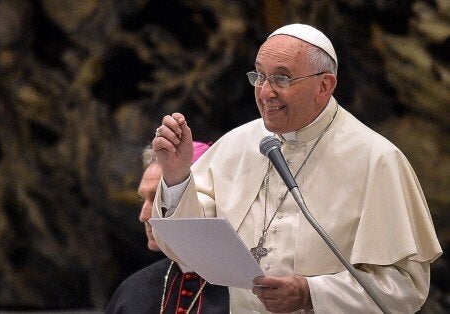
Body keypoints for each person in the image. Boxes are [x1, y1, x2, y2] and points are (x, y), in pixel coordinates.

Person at [151, 23, 442, 313]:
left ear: (324, 86)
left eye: (281, 78)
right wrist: (177, 177)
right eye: (260, 76)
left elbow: (405, 287)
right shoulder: (237, 145)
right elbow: (188, 254)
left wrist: (311, 294)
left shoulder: (377, 160)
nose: (265, 92)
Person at [105, 141, 229, 314]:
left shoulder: (245, 288)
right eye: (143, 199)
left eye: (159, 198)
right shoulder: (132, 291)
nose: (144, 216)